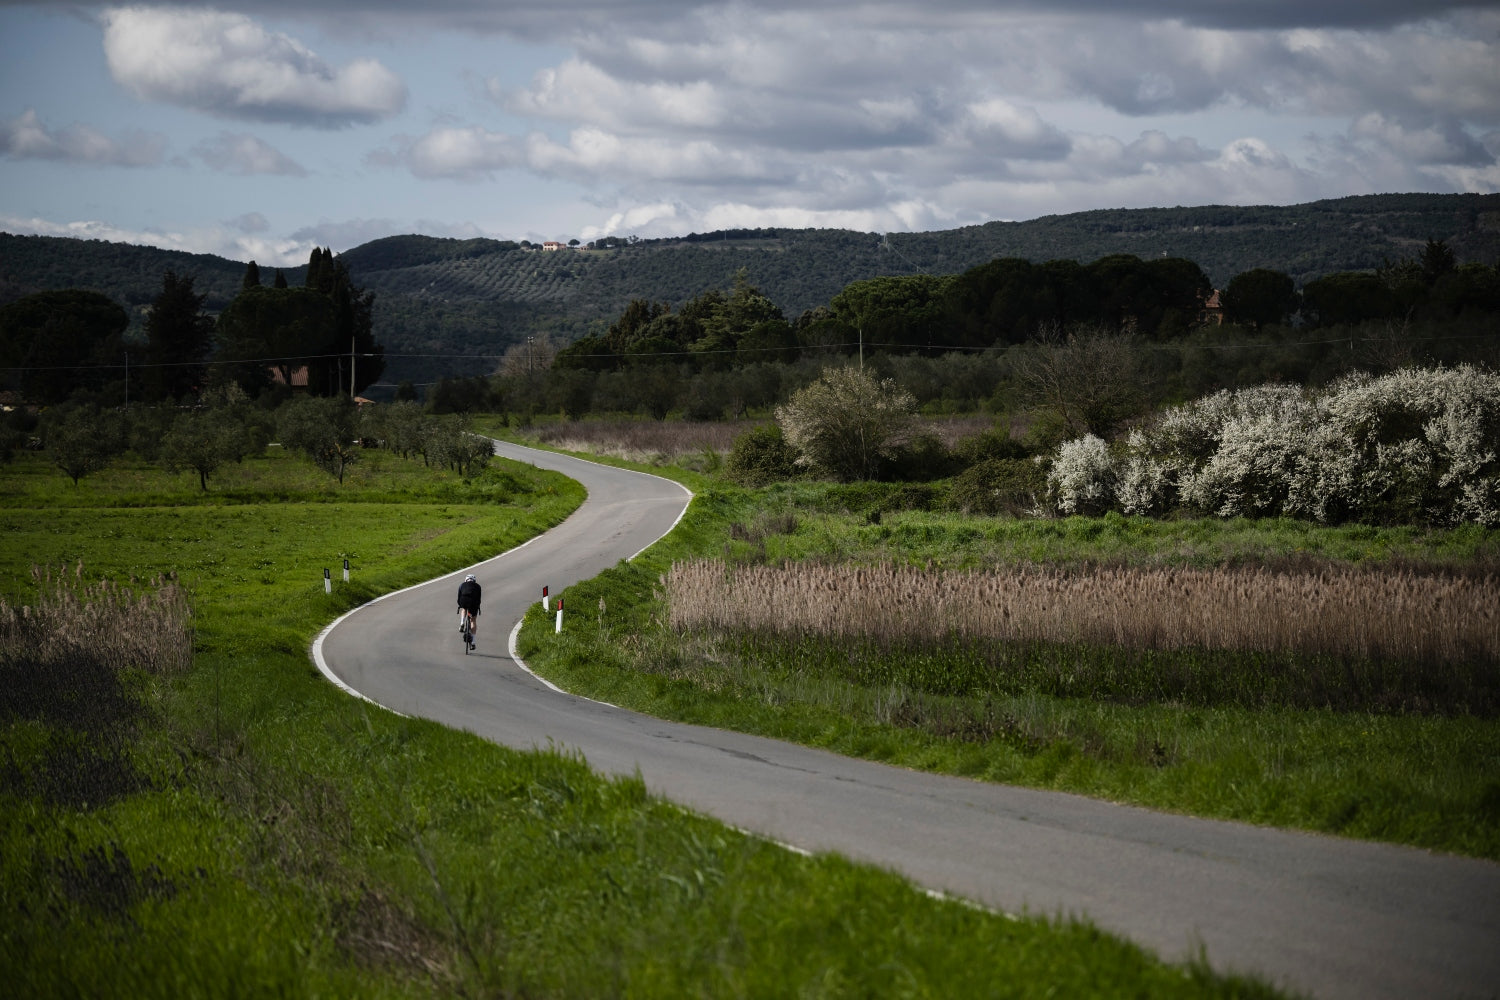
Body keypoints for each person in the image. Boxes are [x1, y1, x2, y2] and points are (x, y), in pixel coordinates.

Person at [456, 573, 481, 649]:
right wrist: (477, 607)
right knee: (473, 620)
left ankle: (462, 623)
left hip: (464, 600)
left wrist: (460, 604)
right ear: (474, 581)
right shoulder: (478, 586)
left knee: (464, 608)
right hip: (473, 602)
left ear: (466, 580)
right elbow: (479, 599)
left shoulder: (462, 585)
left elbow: (459, 596)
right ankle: (473, 642)